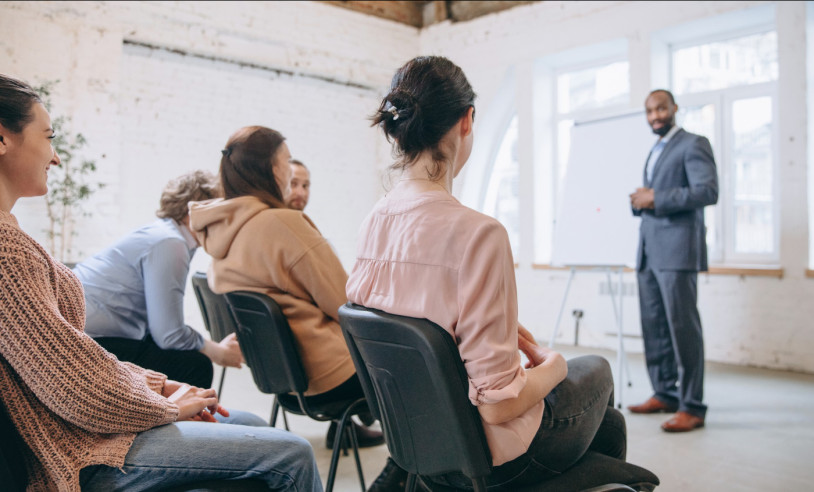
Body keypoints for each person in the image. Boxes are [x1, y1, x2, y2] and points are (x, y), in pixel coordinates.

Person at [0, 73, 322, 491]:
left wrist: (163, 385)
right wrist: (167, 406)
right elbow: (72, 385)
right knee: (291, 453)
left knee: (251, 422)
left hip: (88, 423)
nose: (56, 156)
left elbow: (75, 362)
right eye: (48, 137)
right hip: (77, 449)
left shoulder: (14, 237)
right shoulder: (8, 251)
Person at [346, 56, 629, 491]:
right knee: (596, 369)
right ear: (467, 121)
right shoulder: (480, 234)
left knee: (609, 425)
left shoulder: (372, 223)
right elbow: (499, 407)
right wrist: (552, 367)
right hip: (487, 458)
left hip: (417, 443)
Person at [187, 126, 384, 452]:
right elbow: (345, 303)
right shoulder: (282, 223)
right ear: (273, 168)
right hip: (331, 375)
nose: (290, 170)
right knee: (426, 374)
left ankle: (402, 472)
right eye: (287, 161)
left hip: (284, 381)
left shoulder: (221, 234)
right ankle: (405, 474)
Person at [73, 170, 243, 389]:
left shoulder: (162, 234)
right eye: (218, 212)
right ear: (193, 212)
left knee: (182, 354)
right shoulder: (170, 243)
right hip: (90, 343)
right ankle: (185, 421)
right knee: (195, 365)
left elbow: (163, 329)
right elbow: (169, 334)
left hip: (92, 335)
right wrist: (216, 352)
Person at [627, 89, 718, 432]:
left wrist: (656, 197)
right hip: (650, 252)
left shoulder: (694, 143)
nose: (655, 116)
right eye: (649, 110)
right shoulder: (657, 148)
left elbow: (708, 191)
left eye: (661, 108)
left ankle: (692, 406)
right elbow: (657, 196)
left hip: (678, 252)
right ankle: (665, 393)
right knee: (655, 327)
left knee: (683, 329)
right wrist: (641, 200)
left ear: (675, 108)